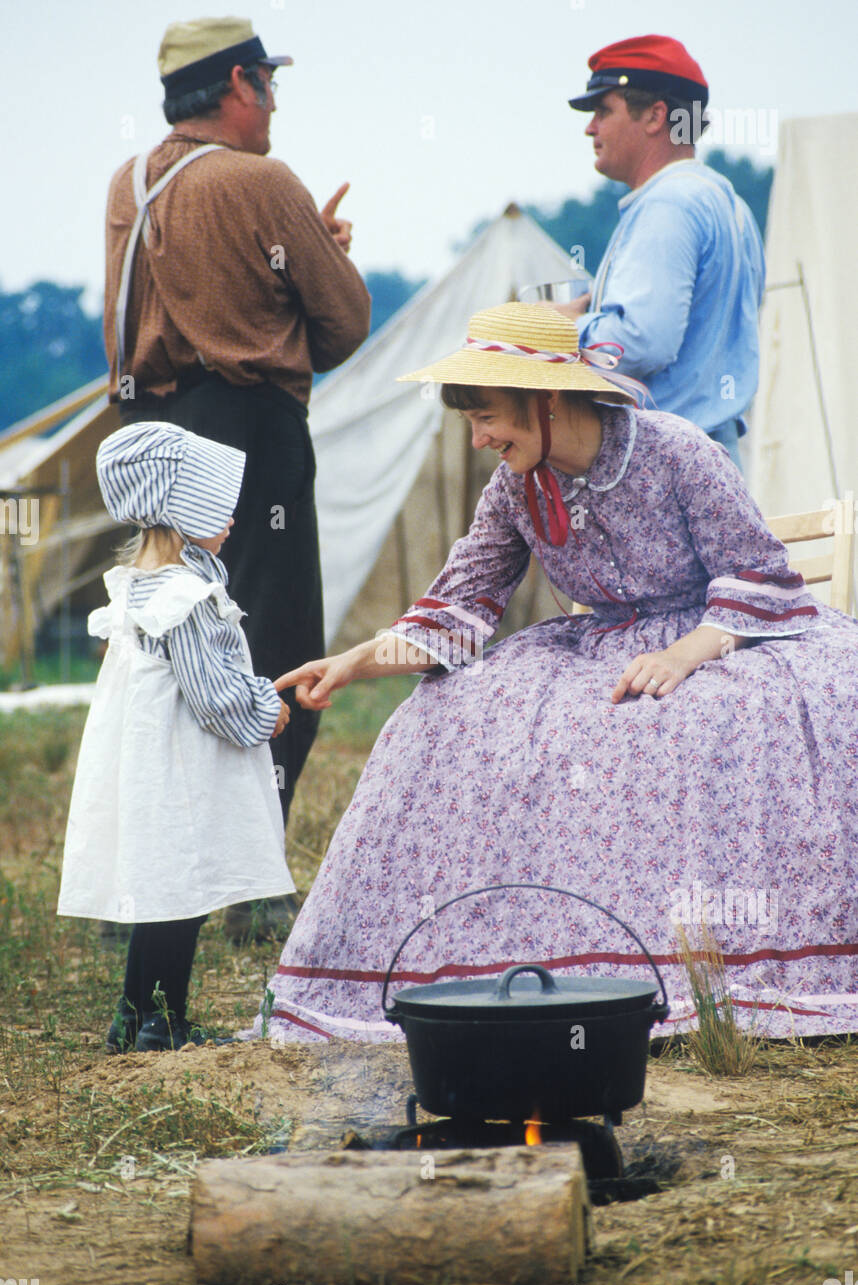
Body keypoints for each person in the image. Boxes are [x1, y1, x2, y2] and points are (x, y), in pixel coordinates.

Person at [245, 301, 858, 1045]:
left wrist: (680, 656)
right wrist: (352, 663)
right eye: (469, 420)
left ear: (548, 399)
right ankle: (507, 966)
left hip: (720, 638)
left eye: (487, 415)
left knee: (691, 723)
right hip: (599, 644)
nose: (478, 439)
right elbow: (459, 609)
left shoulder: (676, 451)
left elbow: (757, 574)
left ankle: (707, 976)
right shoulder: (513, 489)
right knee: (440, 718)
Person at [102, 16, 371, 886]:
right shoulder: (263, 182)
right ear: (239, 86)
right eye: (269, 82)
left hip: (150, 437)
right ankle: (251, 879)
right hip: (248, 430)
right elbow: (343, 325)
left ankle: (141, 879)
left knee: (163, 649)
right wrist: (319, 258)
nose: (274, 102)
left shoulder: (128, 184)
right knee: (276, 646)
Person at [58, 422, 296, 1051]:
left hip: (153, 761)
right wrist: (264, 708)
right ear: (185, 512)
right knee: (184, 894)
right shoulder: (184, 596)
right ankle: (166, 1024)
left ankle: (132, 1017)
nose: (233, 519)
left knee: (163, 890)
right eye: (220, 508)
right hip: (184, 766)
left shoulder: (141, 582)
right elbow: (213, 694)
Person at [565, 34, 764, 471]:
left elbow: (643, 341)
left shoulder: (667, 203)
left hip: (668, 467)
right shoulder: (727, 202)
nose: (590, 127)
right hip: (712, 458)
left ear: (655, 116)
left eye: (603, 110)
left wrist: (563, 328)